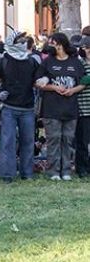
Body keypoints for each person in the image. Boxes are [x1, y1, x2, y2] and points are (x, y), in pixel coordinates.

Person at [0, 30, 40, 182]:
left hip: (28, 108)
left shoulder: (31, 61)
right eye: (20, 40)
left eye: (24, 40)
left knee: (28, 141)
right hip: (9, 107)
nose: (24, 42)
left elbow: (38, 79)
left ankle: (27, 173)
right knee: (8, 141)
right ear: (12, 42)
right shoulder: (4, 60)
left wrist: (43, 80)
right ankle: (7, 174)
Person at [35, 32, 85, 180]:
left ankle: (67, 171)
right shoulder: (47, 62)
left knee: (67, 139)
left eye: (52, 42)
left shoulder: (75, 62)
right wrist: (54, 87)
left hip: (70, 108)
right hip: (51, 109)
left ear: (60, 44)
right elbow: (38, 83)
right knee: (54, 139)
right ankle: (53, 171)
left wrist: (72, 90)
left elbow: (83, 82)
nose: (50, 45)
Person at [74, 35, 90, 177]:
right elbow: (78, 81)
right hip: (83, 108)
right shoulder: (80, 63)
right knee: (83, 141)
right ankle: (82, 168)